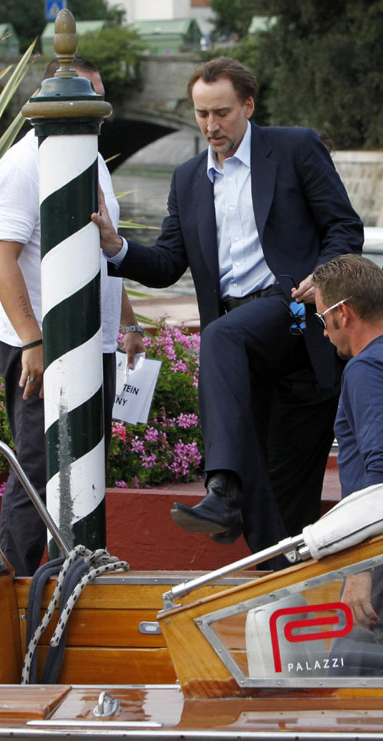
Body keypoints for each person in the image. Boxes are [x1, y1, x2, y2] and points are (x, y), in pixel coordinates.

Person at [91, 56, 363, 569]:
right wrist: (116, 247)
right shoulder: (188, 177)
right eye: (201, 114)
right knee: (273, 507)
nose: (211, 126)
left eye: (222, 113)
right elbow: (169, 263)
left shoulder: (296, 147)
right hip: (245, 357)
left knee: (218, 338)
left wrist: (324, 275)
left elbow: (343, 229)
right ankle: (267, 570)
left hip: (292, 314)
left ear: (248, 106)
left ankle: (220, 487)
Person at [0, 57, 144, 576]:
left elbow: (101, 249)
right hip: (42, 346)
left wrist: (127, 322)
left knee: (85, 462)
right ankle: (17, 585)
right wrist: (33, 341)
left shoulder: (90, 157)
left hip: (93, 342)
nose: (90, 114)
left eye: (97, 103)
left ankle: (75, 574)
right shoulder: (21, 166)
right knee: (38, 467)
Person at [312, 254, 383, 631]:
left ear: (344, 313)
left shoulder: (366, 368)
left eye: (323, 318)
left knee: (349, 679)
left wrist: (361, 566)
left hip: (376, 555)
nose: (324, 331)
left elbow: (381, 469)